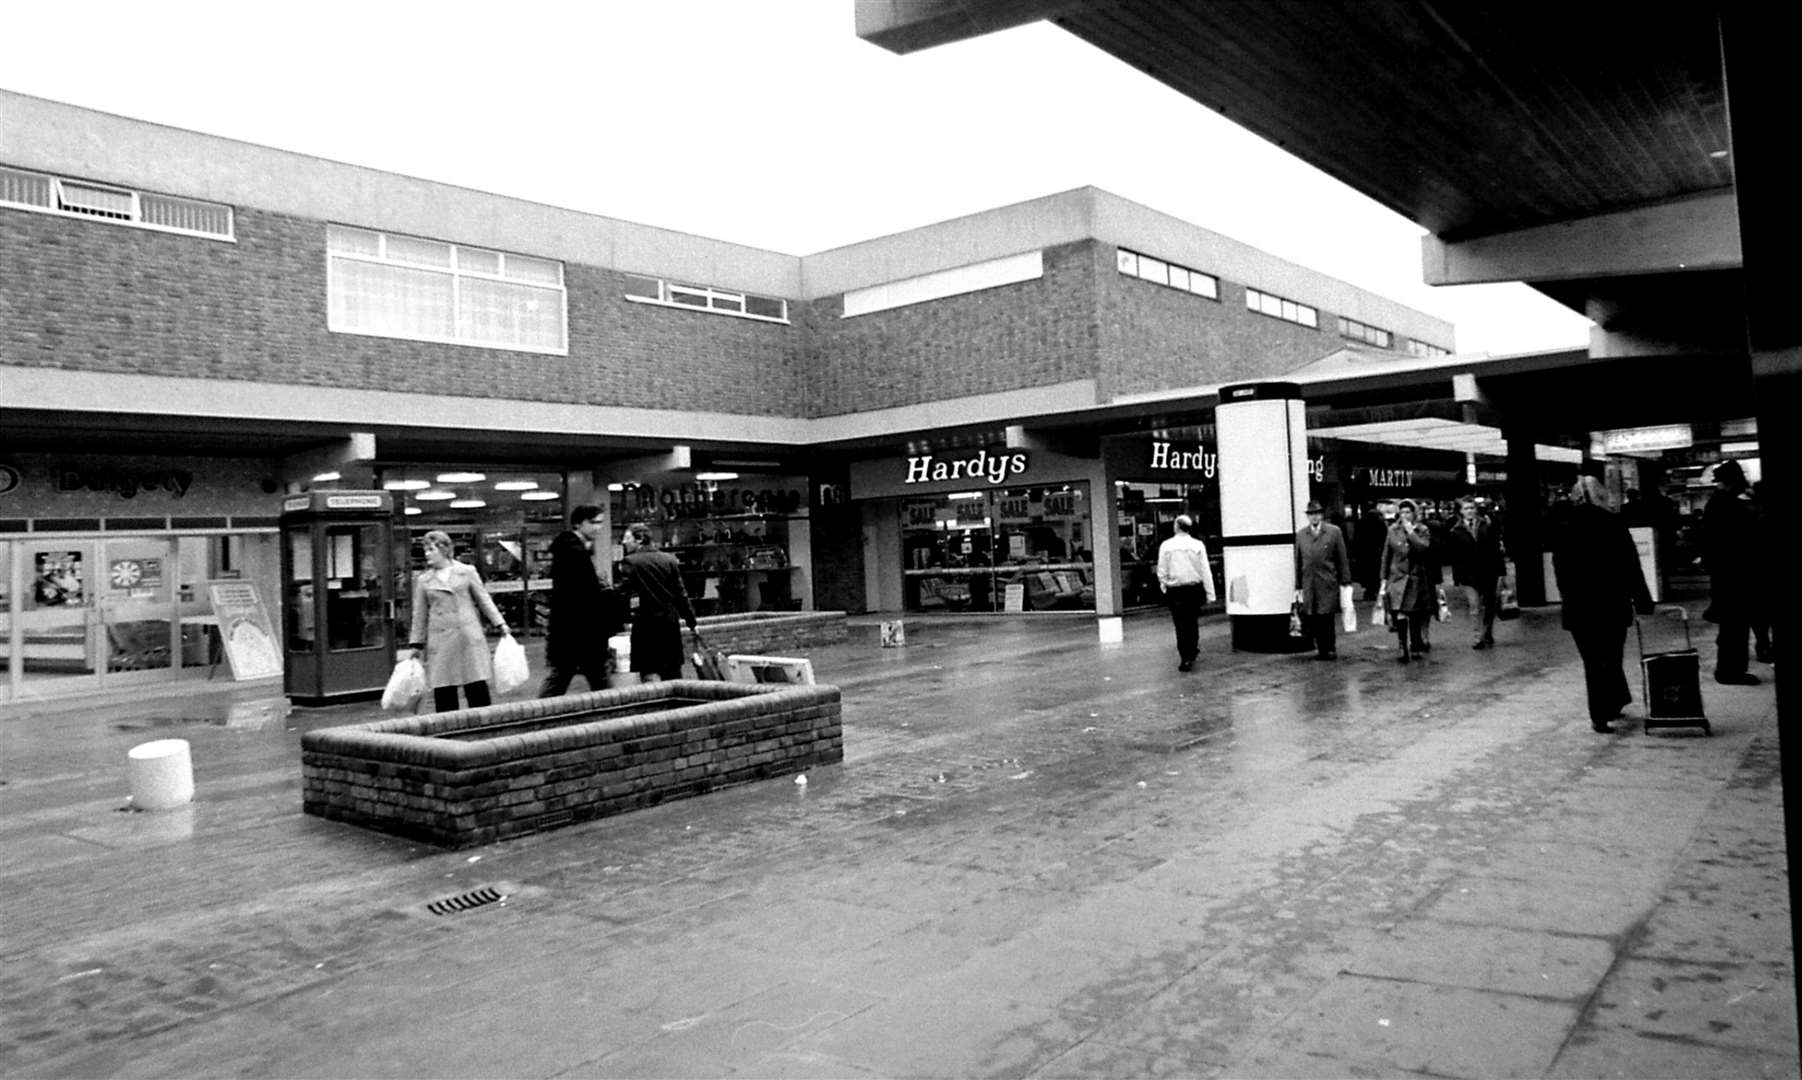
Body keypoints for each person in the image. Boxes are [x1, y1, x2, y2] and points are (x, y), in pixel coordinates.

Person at [1552, 476, 1654, 732]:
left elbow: (1559, 568)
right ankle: (1611, 704)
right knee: (1611, 656)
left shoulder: (1565, 525)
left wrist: (1568, 595)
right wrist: (1642, 598)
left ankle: (1601, 712)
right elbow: (1631, 564)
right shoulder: (1613, 522)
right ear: (1601, 495)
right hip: (1612, 603)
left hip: (1579, 606)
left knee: (1592, 661)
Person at [402, 530, 509, 713]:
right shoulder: (424, 581)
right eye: (425, 550)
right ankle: (449, 732)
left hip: (467, 637)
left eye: (431, 549)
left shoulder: (466, 572)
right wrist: (416, 643)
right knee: (444, 690)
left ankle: (483, 728)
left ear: (444, 549)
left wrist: (500, 624)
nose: (427, 554)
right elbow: (419, 614)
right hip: (441, 640)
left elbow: (484, 600)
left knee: (476, 687)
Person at [538, 504, 628, 697]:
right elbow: (582, 596)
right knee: (586, 678)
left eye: (601, 523)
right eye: (594, 522)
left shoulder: (571, 550)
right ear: (579, 524)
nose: (598, 528)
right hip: (580, 631)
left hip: (574, 633)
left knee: (568, 678)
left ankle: (537, 716)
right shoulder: (574, 553)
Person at [1701, 460, 1760, 686]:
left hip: (1726, 575)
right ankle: (1730, 671)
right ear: (1733, 480)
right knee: (1735, 626)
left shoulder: (1718, 503)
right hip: (1733, 575)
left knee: (1732, 626)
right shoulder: (1727, 504)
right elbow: (1742, 539)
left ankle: (1730, 669)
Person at [619, 521, 698, 682]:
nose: (623, 542)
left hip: (645, 626)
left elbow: (624, 594)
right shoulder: (669, 560)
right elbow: (681, 594)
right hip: (669, 625)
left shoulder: (630, 562)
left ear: (639, 539)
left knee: (648, 670)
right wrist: (691, 621)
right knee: (673, 673)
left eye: (627, 538)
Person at [1156, 514, 1217, 672]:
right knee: (1192, 621)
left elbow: (1161, 570)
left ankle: (1185, 658)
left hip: (1175, 590)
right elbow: (1205, 571)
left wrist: (1164, 585)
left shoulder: (1166, 546)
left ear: (1176, 526)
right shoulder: (1198, 545)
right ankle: (1192, 649)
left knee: (1180, 624)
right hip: (1194, 589)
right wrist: (1210, 594)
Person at [1294, 500, 1352, 660]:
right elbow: (1298, 561)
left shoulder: (1333, 532)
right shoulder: (1301, 535)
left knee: (1326, 616)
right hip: (1309, 583)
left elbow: (1342, 558)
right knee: (1313, 617)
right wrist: (1298, 585)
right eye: (1311, 514)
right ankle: (1321, 649)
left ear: (1321, 515)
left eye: (1317, 514)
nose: (1314, 517)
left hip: (1327, 581)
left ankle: (1330, 647)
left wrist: (1345, 580)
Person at [1447, 496, 1506, 649]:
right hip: (1469, 574)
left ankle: (1487, 632)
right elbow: (1455, 556)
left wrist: (1501, 571)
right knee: (1474, 605)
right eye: (1466, 509)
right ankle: (1477, 637)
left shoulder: (1487, 525)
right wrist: (1457, 577)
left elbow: (1496, 550)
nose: (1470, 511)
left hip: (1488, 571)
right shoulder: (1455, 531)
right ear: (1461, 512)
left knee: (1489, 605)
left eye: (1472, 508)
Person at [1379, 498, 1434, 662]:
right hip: (1397, 578)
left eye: (1408, 512)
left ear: (1414, 513)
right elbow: (1386, 555)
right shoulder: (1392, 530)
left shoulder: (1422, 529)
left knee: (1414, 613)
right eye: (1402, 512)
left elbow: (1423, 548)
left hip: (1415, 578)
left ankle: (1416, 644)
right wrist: (1383, 579)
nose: (1405, 515)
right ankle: (1402, 646)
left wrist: (1411, 532)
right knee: (1400, 613)